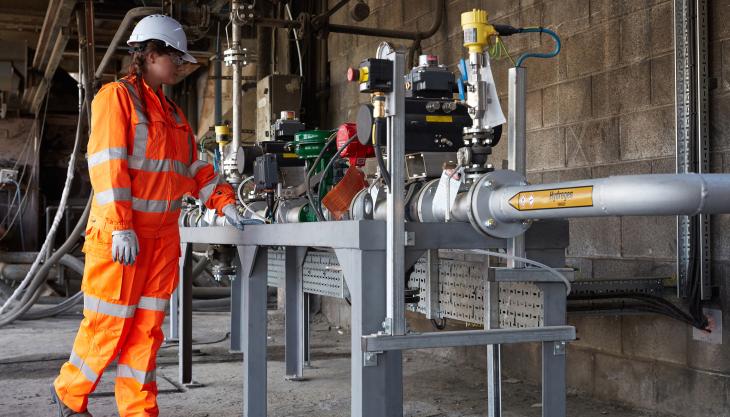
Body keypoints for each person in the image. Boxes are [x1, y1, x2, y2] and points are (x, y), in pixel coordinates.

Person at [50, 14, 253, 417]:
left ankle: (139, 411)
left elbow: (196, 170)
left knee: (146, 333)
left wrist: (227, 202)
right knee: (108, 327)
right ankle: (70, 397)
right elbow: (107, 166)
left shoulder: (174, 115)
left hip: (161, 242)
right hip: (121, 237)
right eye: (174, 57)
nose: (179, 65)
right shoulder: (116, 98)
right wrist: (123, 227)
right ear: (151, 53)